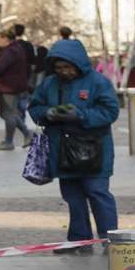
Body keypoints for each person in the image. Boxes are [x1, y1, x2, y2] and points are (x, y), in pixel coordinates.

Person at [27, 39, 119, 255]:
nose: (64, 72)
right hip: (62, 150)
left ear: (78, 64)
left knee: (97, 193)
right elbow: (35, 106)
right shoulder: (49, 83)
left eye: (67, 67)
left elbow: (110, 112)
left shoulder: (98, 82)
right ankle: (79, 240)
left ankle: (111, 241)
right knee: (73, 197)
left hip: (94, 150)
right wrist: (47, 113)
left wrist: (80, 115)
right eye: (59, 68)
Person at [0, 29, 34, 151]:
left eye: (0, 38)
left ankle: (9, 142)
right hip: (13, 85)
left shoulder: (10, 51)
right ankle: (27, 134)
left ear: (6, 39)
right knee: (9, 113)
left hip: (8, 86)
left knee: (9, 114)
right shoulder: (17, 49)